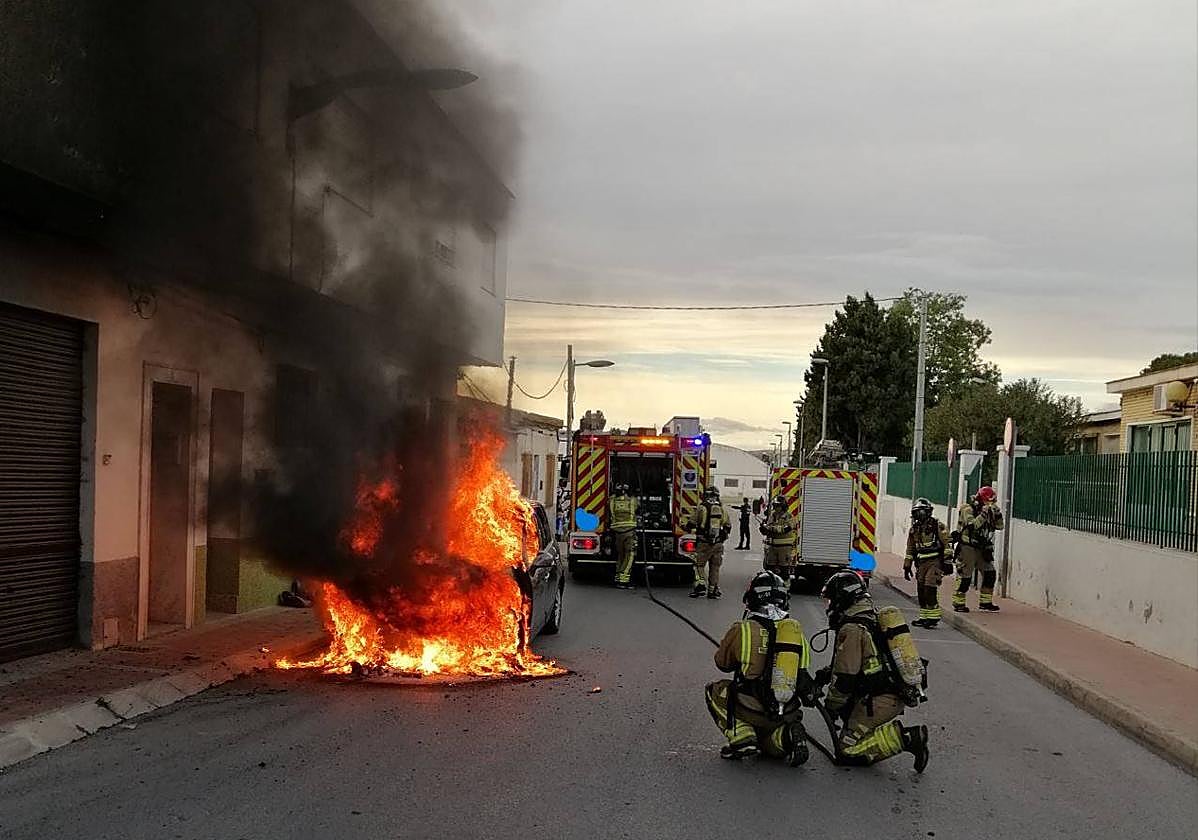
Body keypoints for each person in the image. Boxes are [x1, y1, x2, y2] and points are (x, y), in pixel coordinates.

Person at [816, 571, 929, 771]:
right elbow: (866, 660)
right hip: (889, 692)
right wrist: (826, 674)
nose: (829, 606)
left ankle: (908, 739)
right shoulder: (870, 617)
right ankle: (864, 726)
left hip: (880, 700)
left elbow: (845, 679)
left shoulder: (852, 628)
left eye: (831, 600)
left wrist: (831, 708)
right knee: (850, 719)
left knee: (847, 750)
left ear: (842, 599)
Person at [704, 571, 812, 765]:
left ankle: (742, 736)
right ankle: (785, 736)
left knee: (715, 689)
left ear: (752, 599)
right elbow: (802, 675)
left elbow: (722, 664)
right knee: (769, 747)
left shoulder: (743, 629)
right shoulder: (796, 636)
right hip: (784, 713)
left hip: (750, 708)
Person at [954, 486, 1004, 612]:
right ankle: (958, 602)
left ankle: (985, 602)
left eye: (992, 502)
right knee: (965, 576)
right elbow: (973, 525)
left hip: (982, 547)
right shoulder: (967, 509)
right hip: (968, 546)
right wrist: (984, 513)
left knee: (990, 573)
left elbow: (1000, 526)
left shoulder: (990, 511)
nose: (990, 504)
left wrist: (997, 514)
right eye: (988, 501)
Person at [904, 497, 950, 628]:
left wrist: (947, 562)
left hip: (935, 562)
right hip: (921, 563)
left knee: (930, 588)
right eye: (918, 512)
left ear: (929, 512)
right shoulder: (914, 529)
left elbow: (946, 543)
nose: (920, 515)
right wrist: (907, 566)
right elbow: (910, 548)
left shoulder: (937, 526)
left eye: (923, 512)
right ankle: (924, 617)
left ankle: (933, 617)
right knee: (921, 590)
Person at [686, 486, 731, 598]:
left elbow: (692, 522)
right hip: (718, 544)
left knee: (698, 565)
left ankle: (700, 585)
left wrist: (688, 527)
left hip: (704, 543)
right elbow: (728, 526)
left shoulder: (702, 508)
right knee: (715, 567)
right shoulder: (722, 508)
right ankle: (712, 590)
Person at [760, 496, 797, 580]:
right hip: (772, 547)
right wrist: (763, 529)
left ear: (783, 506)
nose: (776, 508)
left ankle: (785, 589)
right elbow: (768, 528)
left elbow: (784, 529)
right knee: (769, 569)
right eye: (775, 505)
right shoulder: (772, 515)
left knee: (784, 571)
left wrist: (770, 528)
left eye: (778, 506)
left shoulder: (789, 517)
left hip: (784, 548)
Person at [609, 484, 638, 590]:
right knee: (629, 556)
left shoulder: (612, 501)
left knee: (620, 555)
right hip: (629, 532)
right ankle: (624, 580)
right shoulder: (632, 501)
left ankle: (618, 578)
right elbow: (638, 507)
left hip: (617, 532)